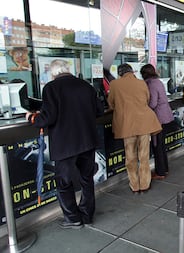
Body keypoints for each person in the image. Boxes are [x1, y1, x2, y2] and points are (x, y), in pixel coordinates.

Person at [25, 59, 104, 229]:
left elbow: (48, 117)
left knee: (63, 183)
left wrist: (32, 118)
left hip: (66, 144)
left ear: (53, 73)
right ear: (68, 70)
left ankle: (73, 218)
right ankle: (87, 215)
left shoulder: (51, 88)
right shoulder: (86, 86)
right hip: (87, 141)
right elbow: (99, 110)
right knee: (86, 179)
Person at [108, 63, 161, 193]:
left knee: (130, 157)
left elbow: (111, 104)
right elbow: (147, 100)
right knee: (144, 156)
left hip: (127, 124)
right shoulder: (142, 83)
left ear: (120, 73)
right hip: (144, 123)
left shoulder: (115, 84)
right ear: (132, 72)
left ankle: (135, 185)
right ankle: (144, 184)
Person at [140, 64, 174, 180]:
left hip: (158, 118)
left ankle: (160, 172)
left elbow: (153, 103)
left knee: (157, 145)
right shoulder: (158, 81)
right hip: (165, 116)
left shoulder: (151, 84)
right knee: (161, 144)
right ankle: (164, 168)